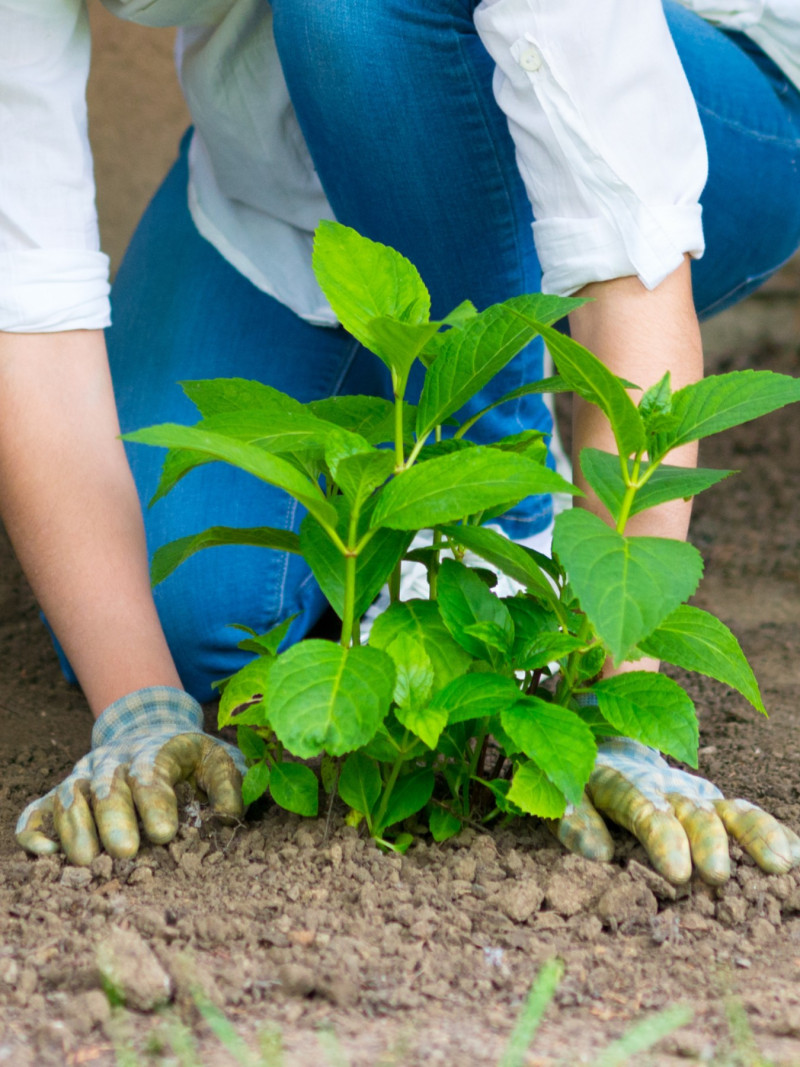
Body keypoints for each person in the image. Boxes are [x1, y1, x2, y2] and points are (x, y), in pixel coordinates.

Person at [4, 0, 800, 880]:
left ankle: (499, 469)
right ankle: (412, 421)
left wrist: (614, 703)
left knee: (348, 10)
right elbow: (25, 297)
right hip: (287, 166)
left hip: (704, 110)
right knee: (190, 617)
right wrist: (136, 711)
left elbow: (632, 249)